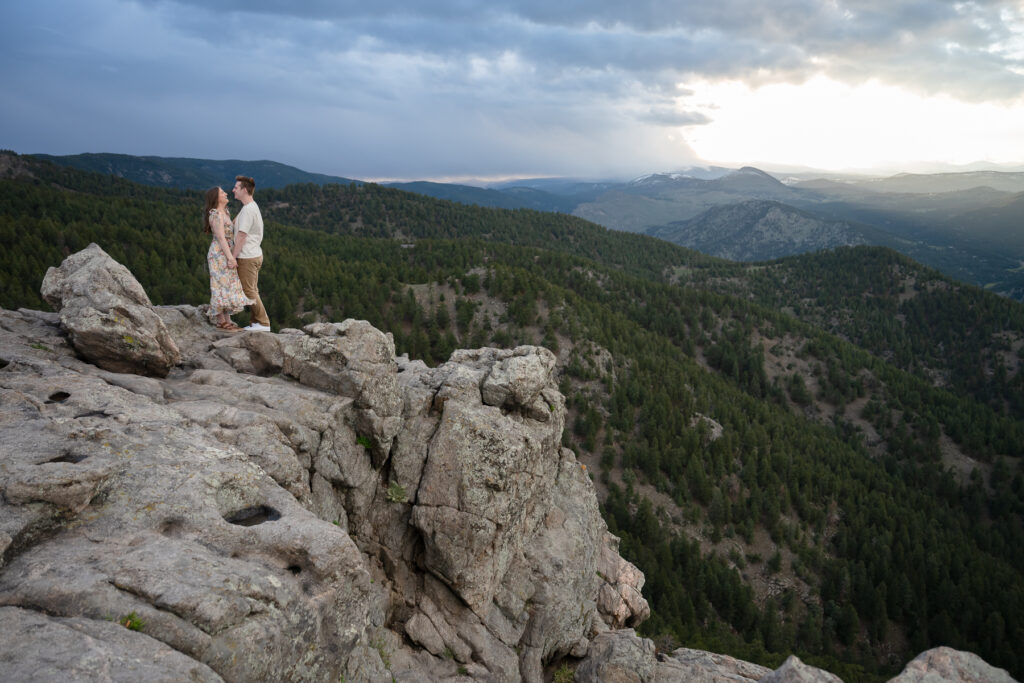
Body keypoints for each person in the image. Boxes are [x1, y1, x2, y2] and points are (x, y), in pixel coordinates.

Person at [204, 186, 253, 331]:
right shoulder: (215, 214)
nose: (226, 194)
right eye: (222, 193)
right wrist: (231, 257)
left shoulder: (224, 212)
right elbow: (220, 237)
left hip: (226, 252)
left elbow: (230, 226)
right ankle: (221, 320)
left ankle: (227, 319)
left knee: (228, 285)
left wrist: (245, 210)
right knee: (220, 285)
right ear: (216, 198)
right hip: (219, 253)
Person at [231, 175, 270, 331]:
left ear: (244, 190)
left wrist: (232, 257)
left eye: (236, 187)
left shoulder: (248, 210)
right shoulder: (249, 207)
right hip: (254, 254)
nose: (233, 189)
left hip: (247, 256)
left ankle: (263, 323)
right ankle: (256, 322)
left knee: (249, 291)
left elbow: (241, 236)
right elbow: (234, 224)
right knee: (253, 290)